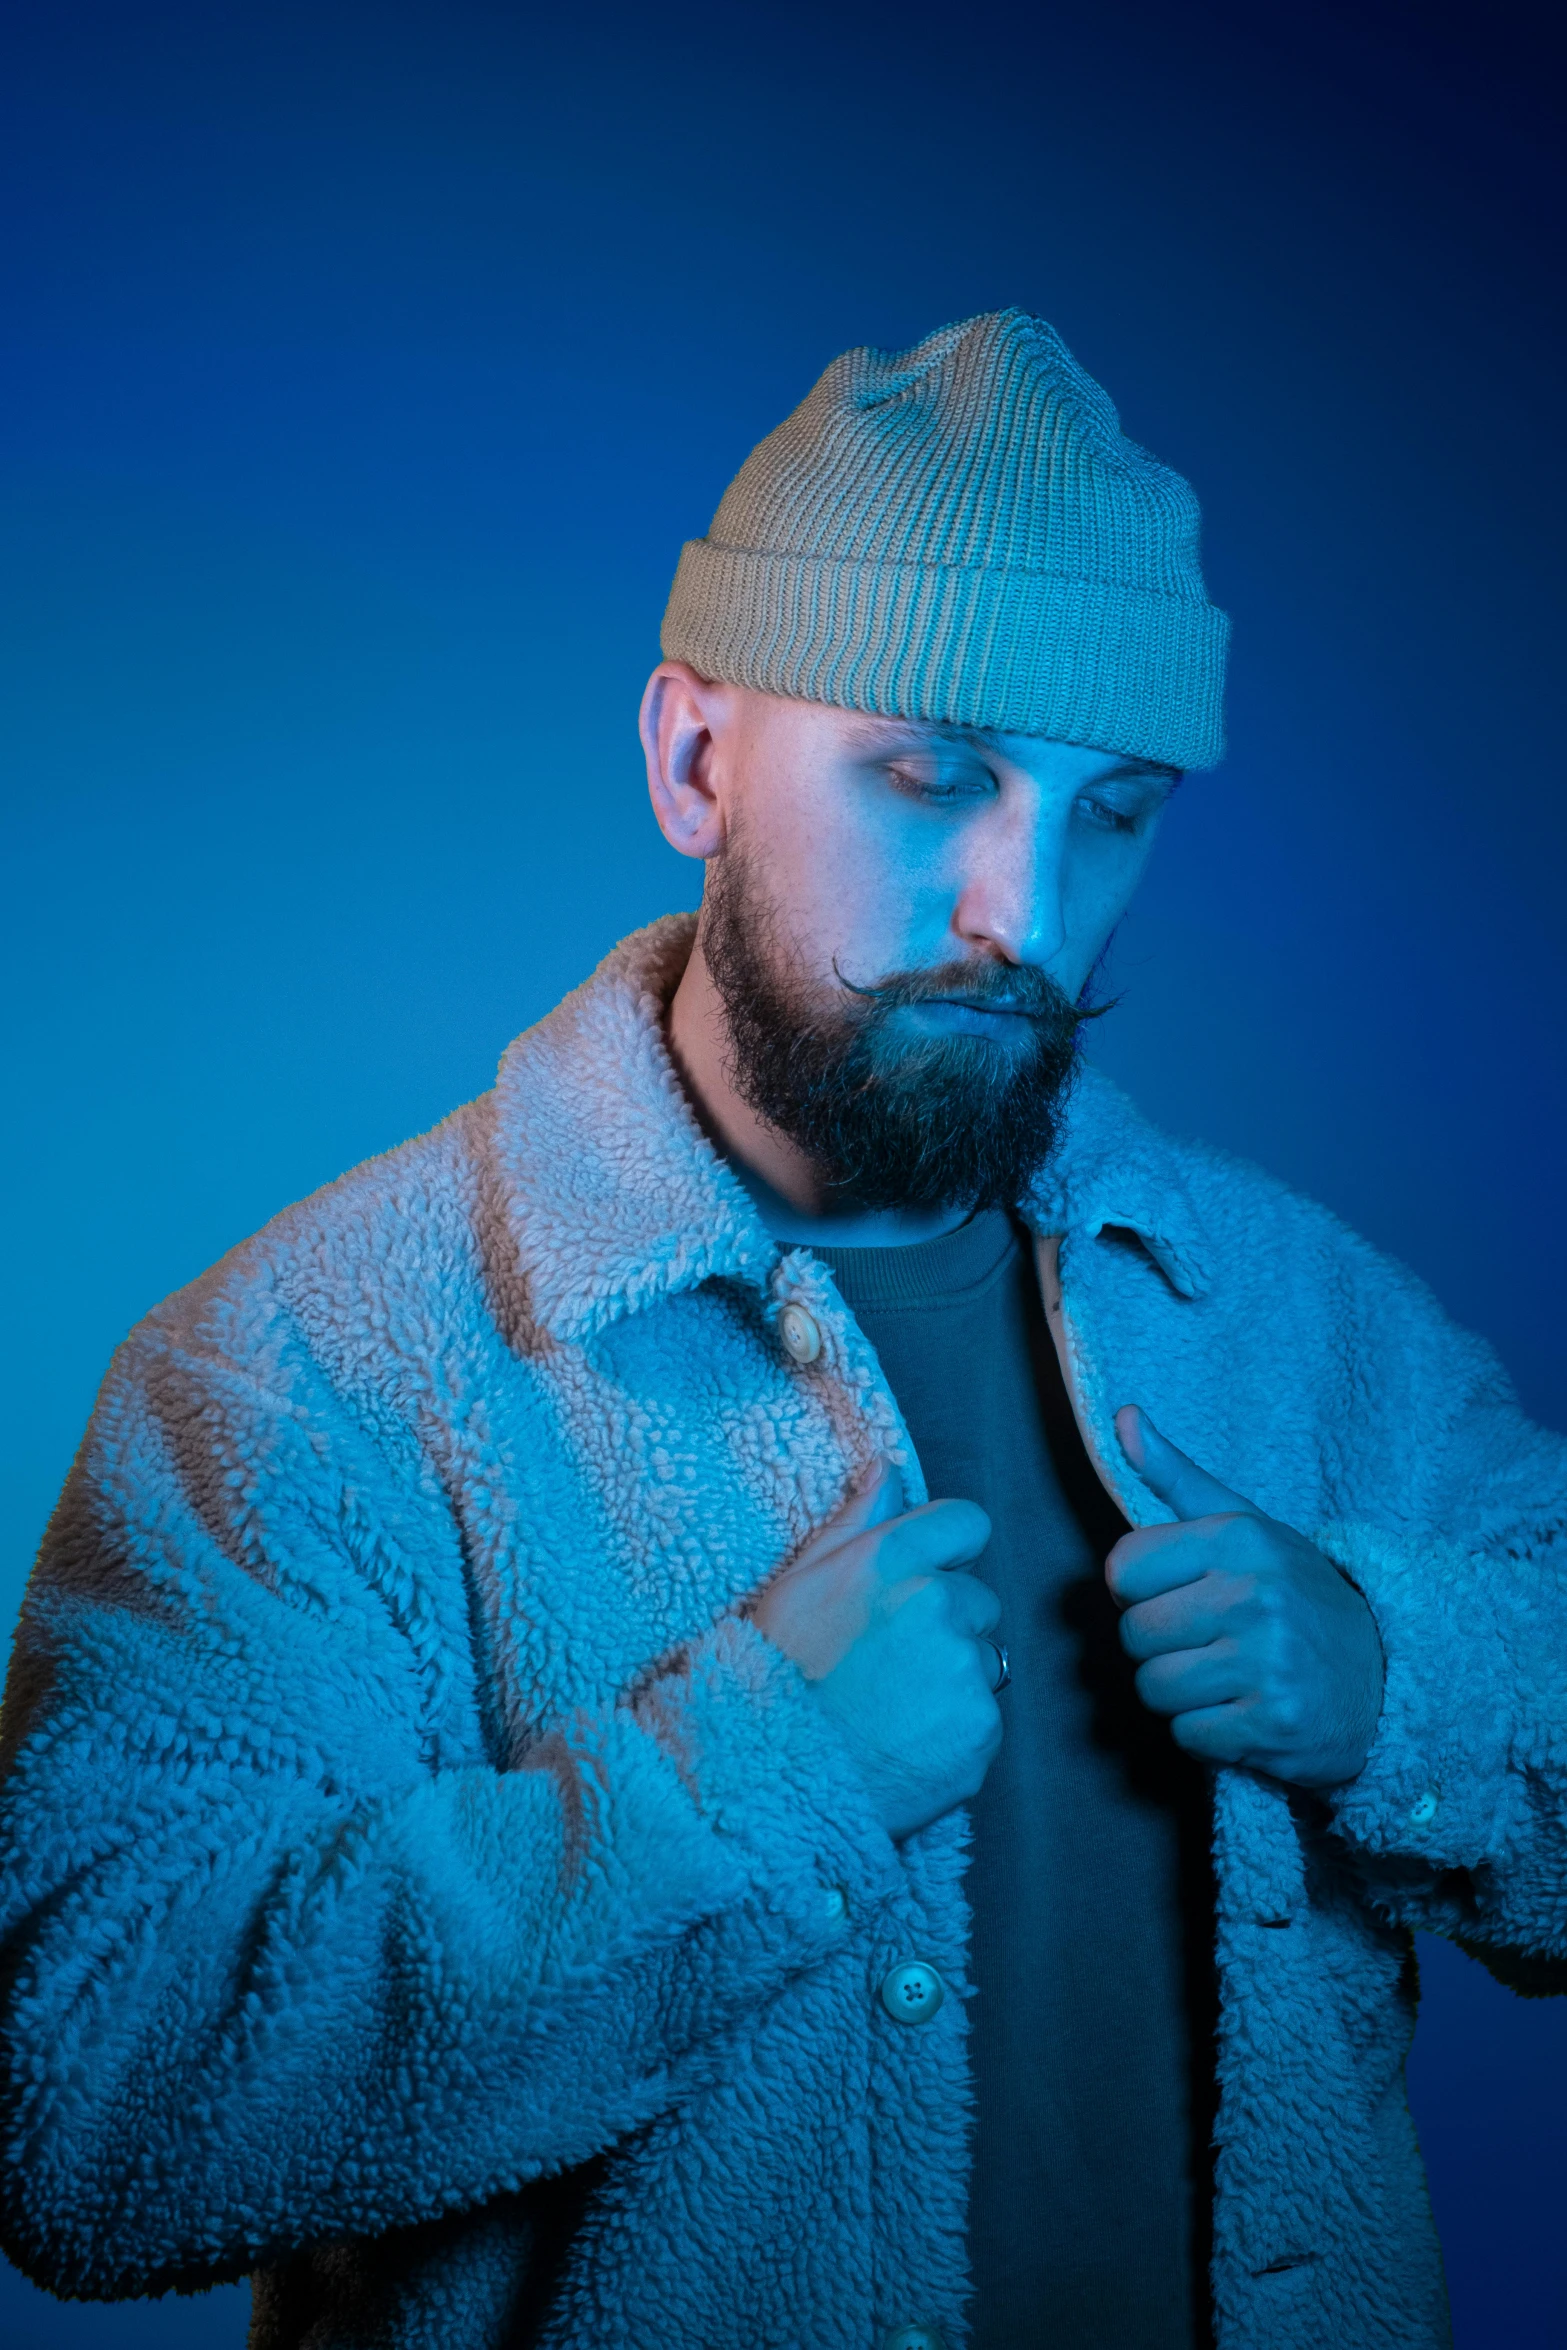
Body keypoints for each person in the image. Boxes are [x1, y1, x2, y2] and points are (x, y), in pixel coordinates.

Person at [1, 309, 1562, 2350]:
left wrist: (1397, 1679)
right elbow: (91, 2113)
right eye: (936, 771)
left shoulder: (1305, 1321)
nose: (1030, 905)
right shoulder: (301, 1372)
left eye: (1118, 810)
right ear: (692, 756)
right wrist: (764, 1772)